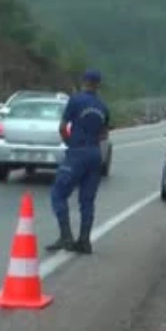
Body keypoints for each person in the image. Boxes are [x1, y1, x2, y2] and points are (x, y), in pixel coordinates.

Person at [46, 69, 110, 255]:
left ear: (84, 81)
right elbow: (104, 134)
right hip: (95, 154)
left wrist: (70, 143)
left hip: (77, 153)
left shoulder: (75, 100)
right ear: (98, 84)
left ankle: (66, 236)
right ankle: (84, 241)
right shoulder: (103, 107)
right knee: (87, 200)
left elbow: (62, 127)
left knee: (58, 193)